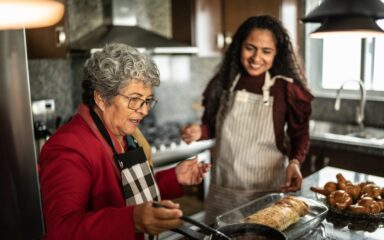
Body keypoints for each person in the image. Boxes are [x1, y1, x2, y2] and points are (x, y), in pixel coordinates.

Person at [38, 43, 211, 240]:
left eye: (147, 100)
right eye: (134, 99)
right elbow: (62, 231)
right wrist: (132, 220)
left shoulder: (127, 133)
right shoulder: (68, 148)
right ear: (102, 98)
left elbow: (126, 192)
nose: (144, 110)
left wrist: (174, 177)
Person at [181, 15, 313, 224]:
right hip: (225, 190)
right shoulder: (223, 82)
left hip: (267, 191)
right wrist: (199, 131)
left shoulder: (285, 88)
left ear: (276, 54)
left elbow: (300, 134)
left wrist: (295, 163)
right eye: (250, 48)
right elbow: (212, 127)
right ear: (239, 47)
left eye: (266, 51)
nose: (256, 57)